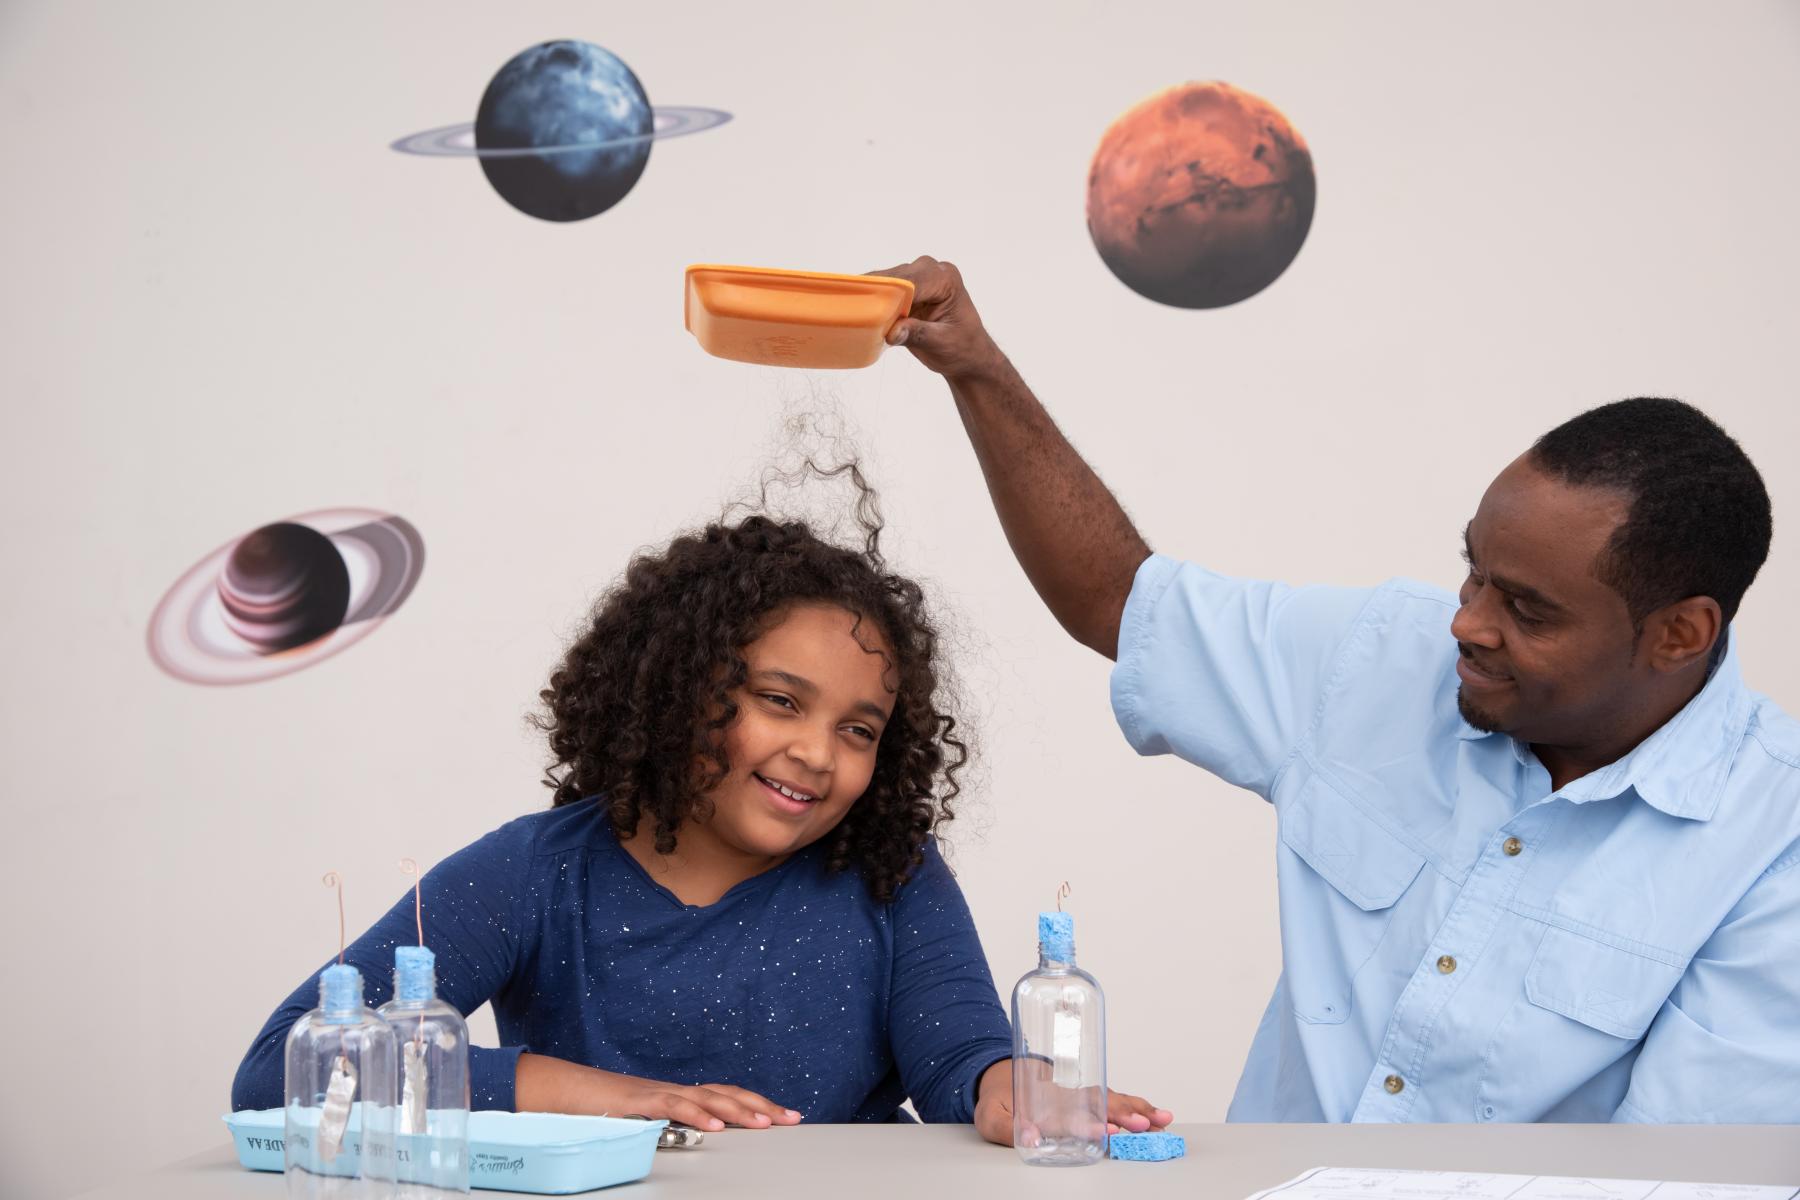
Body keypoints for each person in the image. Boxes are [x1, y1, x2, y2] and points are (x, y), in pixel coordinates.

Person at [872, 256, 1800, 1123]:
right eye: (1473, 572)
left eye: (1527, 608)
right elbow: (1117, 597)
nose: (1467, 624)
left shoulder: (1773, 843)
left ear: (1681, 633)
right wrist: (976, 368)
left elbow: (1676, 1175)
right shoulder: (1383, 656)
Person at [232, 466, 1171, 1144]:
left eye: (859, 729)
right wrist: (598, 1094)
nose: (817, 753)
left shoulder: (893, 873)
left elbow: (957, 1056)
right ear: (679, 687)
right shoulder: (533, 872)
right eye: (780, 702)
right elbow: (280, 1067)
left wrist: (1015, 1086)